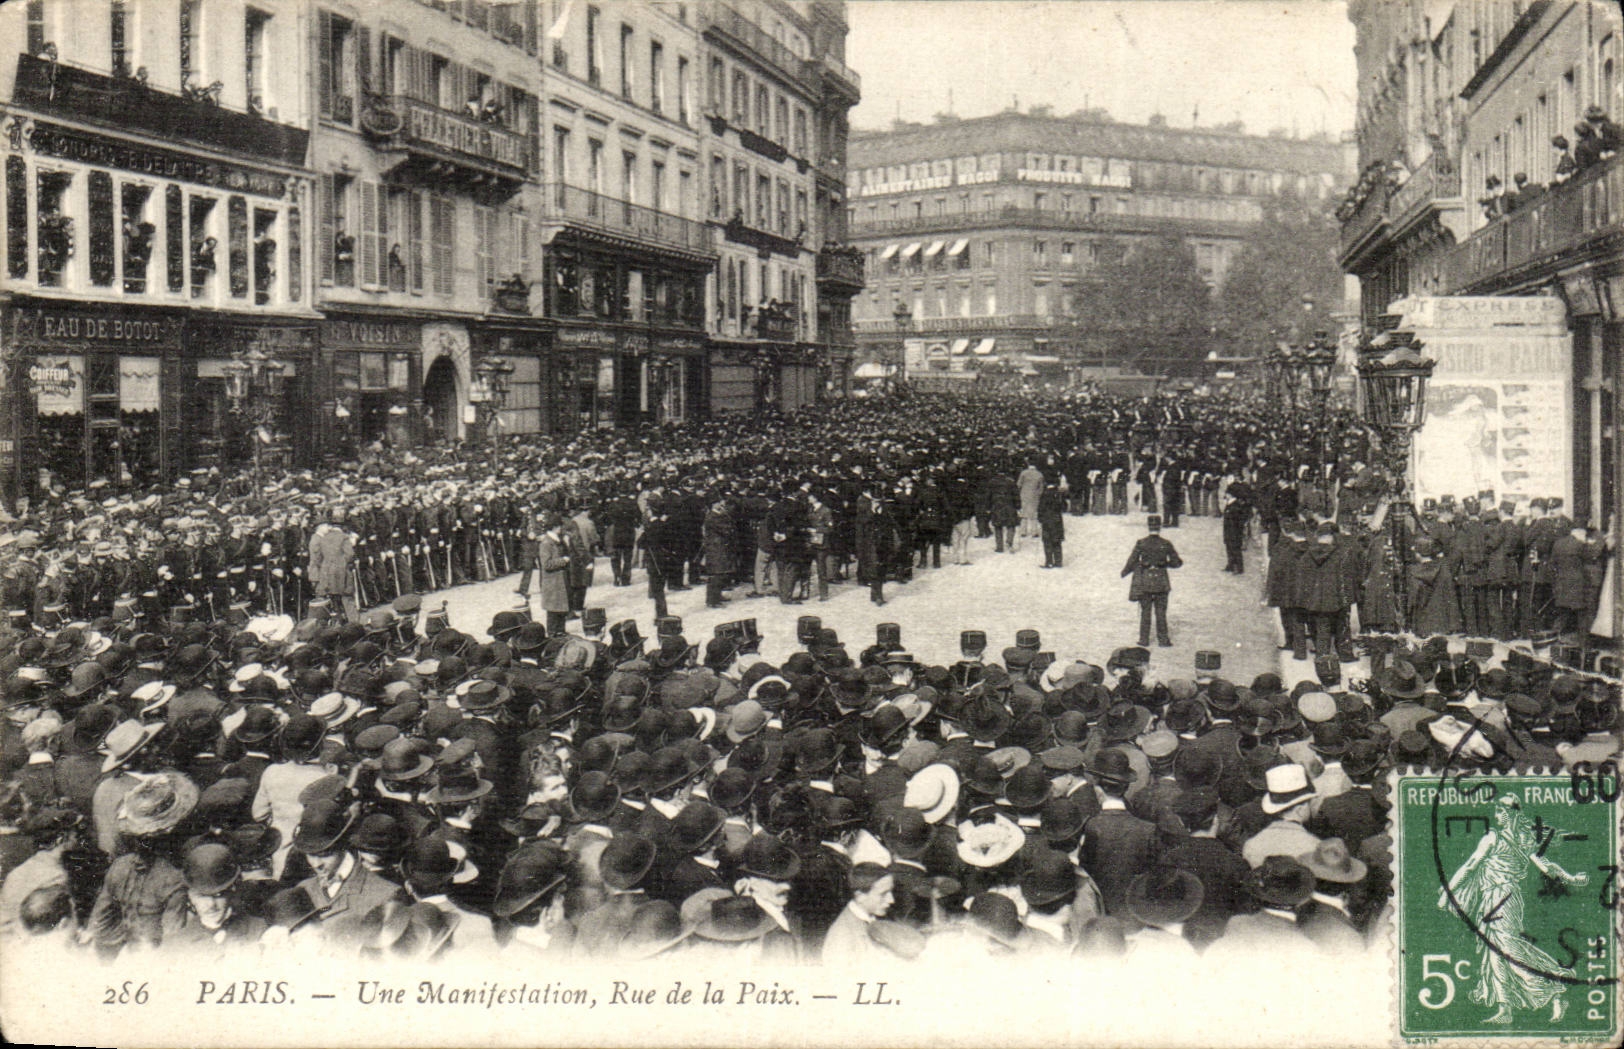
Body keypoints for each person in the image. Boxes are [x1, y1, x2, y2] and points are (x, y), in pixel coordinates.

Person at [1122, 515, 1183, 647]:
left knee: (1145, 612)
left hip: (1145, 582)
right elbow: (1177, 562)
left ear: (1148, 527)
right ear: (1159, 527)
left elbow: (1131, 561)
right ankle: (1163, 640)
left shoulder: (1141, 543)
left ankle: (1144, 640)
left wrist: (1125, 572)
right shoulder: (1166, 544)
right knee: (1161, 612)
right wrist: (1165, 564)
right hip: (1161, 581)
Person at [306, 507, 357, 622]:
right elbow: (350, 554)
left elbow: (318, 558)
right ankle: (354, 624)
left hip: (327, 573)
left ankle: (339, 623)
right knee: (347, 599)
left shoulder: (323, 539)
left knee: (334, 601)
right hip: (342, 572)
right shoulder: (344, 537)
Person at [537, 512, 573, 636]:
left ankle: (561, 631)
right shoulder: (546, 543)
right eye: (559, 527)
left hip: (560, 580)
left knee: (561, 608)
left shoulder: (558, 540)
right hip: (553, 582)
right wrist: (563, 561)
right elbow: (546, 564)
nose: (561, 529)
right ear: (555, 527)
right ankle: (553, 633)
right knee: (553, 610)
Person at [1038, 477, 1066, 568]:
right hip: (1057, 519)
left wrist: (1040, 518)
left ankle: (1049, 561)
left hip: (1046, 520)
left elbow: (1040, 508)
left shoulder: (1044, 494)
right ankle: (1058, 561)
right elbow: (1064, 506)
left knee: (1047, 541)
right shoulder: (1059, 494)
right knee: (1057, 540)